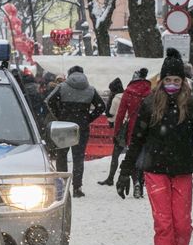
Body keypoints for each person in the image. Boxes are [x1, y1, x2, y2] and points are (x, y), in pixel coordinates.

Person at [117, 49, 193, 245]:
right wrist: (125, 171)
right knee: (164, 225)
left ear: (183, 82)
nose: (172, 85)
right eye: (168, 80)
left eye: (177, 80)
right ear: (161, 81)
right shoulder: (150, 105)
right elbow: (137, 140)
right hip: (155, 170)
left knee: (183, 225)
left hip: (183, 170)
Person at [46, 65, 106, 198]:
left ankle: (62, 186)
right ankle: (77, 188)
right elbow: (101, 106)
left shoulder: (62, 87)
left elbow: (49, 100)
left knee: (61, 156)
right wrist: (88, 118)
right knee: (78, 158)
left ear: (69, 74)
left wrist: (59, 115)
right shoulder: (90, 89)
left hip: (64, 126)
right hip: (82, 127)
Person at [101, 69, 149, 190]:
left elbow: (120, 114)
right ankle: (139, 182)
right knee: (141, 156)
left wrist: (117, 131)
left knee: (130, 155)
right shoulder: (151, 92)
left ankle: (120, 178)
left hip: (132, 128)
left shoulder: (128, 92)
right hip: (147, 128)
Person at [98, 77, 125, 186]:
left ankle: (110, 178)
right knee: (132, 155)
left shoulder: (116, 99)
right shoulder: (127, 96)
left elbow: (111, 114)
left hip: (120, 129)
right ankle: (138, 183)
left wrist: (110, 121)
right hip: (131, 128)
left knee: (115, 155)